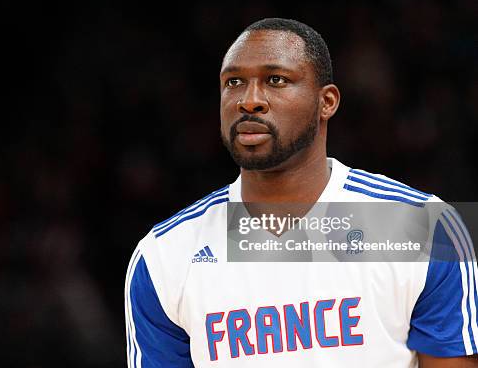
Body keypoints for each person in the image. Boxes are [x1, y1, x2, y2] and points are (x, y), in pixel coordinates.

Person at [124, 18, 478, 367]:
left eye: (275, 80)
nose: (250, 101)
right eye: (233, 82)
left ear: (327, 102)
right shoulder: (166, 255)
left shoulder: (419, 228)